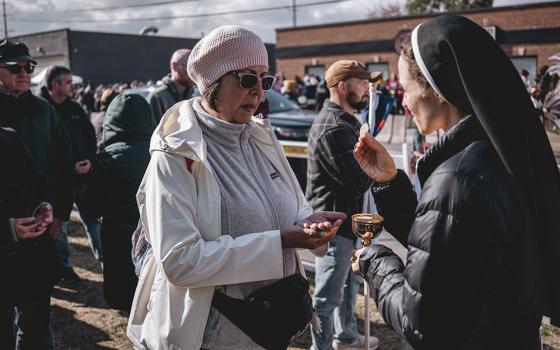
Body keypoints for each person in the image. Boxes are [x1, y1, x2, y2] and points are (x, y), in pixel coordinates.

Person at [127, 25, 346, 350]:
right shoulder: (176, 154)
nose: (260, 92)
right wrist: (282, 241)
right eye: (247, 79)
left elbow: (291, 206)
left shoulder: (260, 137)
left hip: (270, 326)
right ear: (212, 84)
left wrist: (307, 223)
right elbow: (180, 260)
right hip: (213, 333)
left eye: (265, 79)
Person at [352, 14, 560, 349]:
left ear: (438, 90)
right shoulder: (497, 156)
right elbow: (451, 253)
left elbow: (424, 328)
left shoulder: (460, 178)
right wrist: (391, 182)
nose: (403, 102)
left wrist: (375, 263)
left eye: (406, 89)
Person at [306, 59, 379, 350]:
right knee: (327, 296)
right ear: (342, 86)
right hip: (332, 227)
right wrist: (375, 162)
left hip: (345, 224)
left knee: (347, 288)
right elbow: (358, 182)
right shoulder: (333, 127)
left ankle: (345, 337)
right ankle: (320, 347)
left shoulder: (346, 122)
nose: (366, 89)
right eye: (361, 83)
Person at [78, 93, 156, 311]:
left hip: (120, 243)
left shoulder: (107, 160)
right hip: (156, 239)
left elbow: (91, 206)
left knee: (129, 301)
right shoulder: (161, 155)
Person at [0, 40, 74, 268]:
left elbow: (64, 161)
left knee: (38, 294)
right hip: (5, 222)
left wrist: (60, 213)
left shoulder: (45, 111)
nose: (23, 73)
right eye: (14, 67)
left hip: (42, 217)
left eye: (28, 67)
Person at [0, 127, 57, 350]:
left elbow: (37, 182)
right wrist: (7, 229)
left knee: (34, 331)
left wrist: (42, 206)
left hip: (28, 260)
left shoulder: (9, 136)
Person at [41, 65, 101, 275]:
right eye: (67, 82)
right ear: (55, 84)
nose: (72, 86)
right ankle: (64, 269)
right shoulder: (42, 110)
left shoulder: (75, 109)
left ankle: (106, 263)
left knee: (93, 221)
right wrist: (69, 167)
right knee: (60, 227)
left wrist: (90, 161)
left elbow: (90, 136)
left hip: (83, 179)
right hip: (57, 183)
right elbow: (43, 150)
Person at [147, 48, 195, 122]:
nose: (192, 73)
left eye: (195, 68)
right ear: (174, 66)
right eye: (188, 67)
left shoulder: (194, 97)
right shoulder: (157, 97)